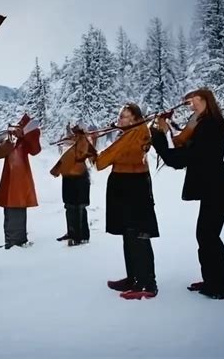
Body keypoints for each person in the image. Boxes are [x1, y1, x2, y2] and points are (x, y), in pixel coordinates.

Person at [150, 88, 224, 300]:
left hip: (219, 190)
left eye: (191, 101)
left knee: (208, 237)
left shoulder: (209, 125)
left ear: (204, 100)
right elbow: (186, 142)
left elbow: (182, 157)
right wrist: (170, 127)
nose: (188, 106)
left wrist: (159, 136)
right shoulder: (204, 124)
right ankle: (213, 280)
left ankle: (220, 287)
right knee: (206, 236)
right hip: (215, 190)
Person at [96, 103, 159, 300]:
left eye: (124, 116)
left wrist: (92, 149)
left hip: (133, 189)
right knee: (129, 234)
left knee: (137, 235)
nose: (120, 120)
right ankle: (134, 278)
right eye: (120, 116)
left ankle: (146, 283)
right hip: (127, 187)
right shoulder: (130, 132)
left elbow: (102, 160)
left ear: (134, 119)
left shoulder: (135, 133)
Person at [0, 114, 41, 249]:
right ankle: (12, 240)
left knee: (17, 209)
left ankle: (16, 241)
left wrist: (26, 136)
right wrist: (8, 142)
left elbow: (35, 150)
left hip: (20, 179)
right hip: (12, 179)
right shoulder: (8, 138)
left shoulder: (25, 140)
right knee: (11, 211)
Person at [50, 125, 96, 246]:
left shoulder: (82, 141)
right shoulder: (70, 142)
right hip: (68, 176)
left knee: (79, 207)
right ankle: (72, 232)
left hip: (80, 176)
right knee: (69, 206)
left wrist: (81, 137)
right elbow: (64, 158)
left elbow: (82, 154)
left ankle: (81, 235)